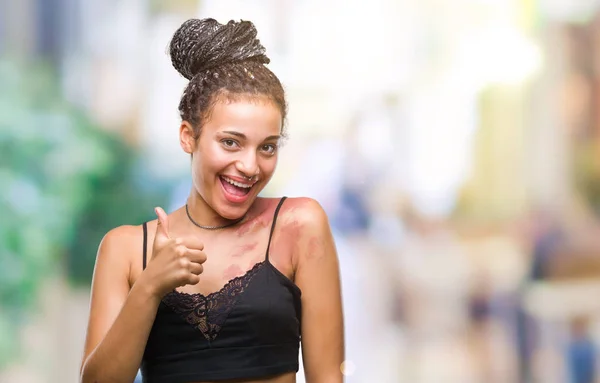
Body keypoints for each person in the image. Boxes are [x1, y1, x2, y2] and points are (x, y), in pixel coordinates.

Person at [79, 18, 344, 383]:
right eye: (231, 142)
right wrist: (150, 286)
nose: (250, 166)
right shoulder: (125, 250)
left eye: (267, 147)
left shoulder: (299, 224)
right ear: (188, 136)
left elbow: (328, 377)